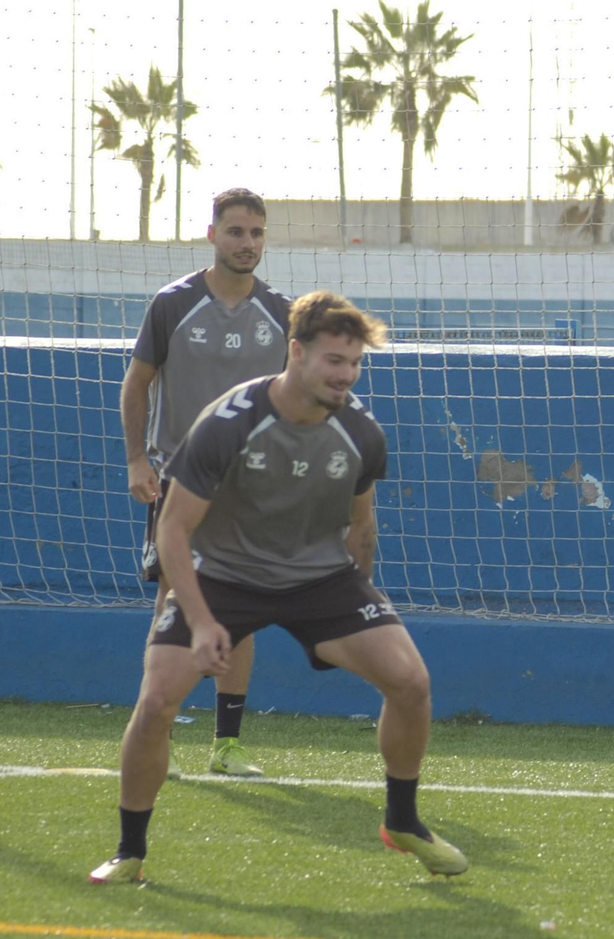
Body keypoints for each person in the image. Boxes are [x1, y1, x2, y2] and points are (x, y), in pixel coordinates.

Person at [90, 292, 467, 884]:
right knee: (158, 698)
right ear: (296, 352)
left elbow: (361, 526)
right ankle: (129, 850)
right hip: (222, 578)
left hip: (321, 580)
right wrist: (204, 619)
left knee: (412, 681)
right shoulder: (228, 422)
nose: (345, 375)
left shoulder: (362, 432)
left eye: (354, 363)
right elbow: (173, 528)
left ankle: (402, 822)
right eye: (333, 361)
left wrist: (358, 604)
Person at [120, 188, 291, 779]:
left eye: (257, 233)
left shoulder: (282, 313)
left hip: (250, 487)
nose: (248, 244)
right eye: (237, 232)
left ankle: (226, 744)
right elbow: (137, 384)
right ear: (212, 234)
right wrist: (138, 460)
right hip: (177, 482)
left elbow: (293, 402)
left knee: (238, 608)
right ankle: (155, 727)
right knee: (172, 603)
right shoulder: (173, 304)